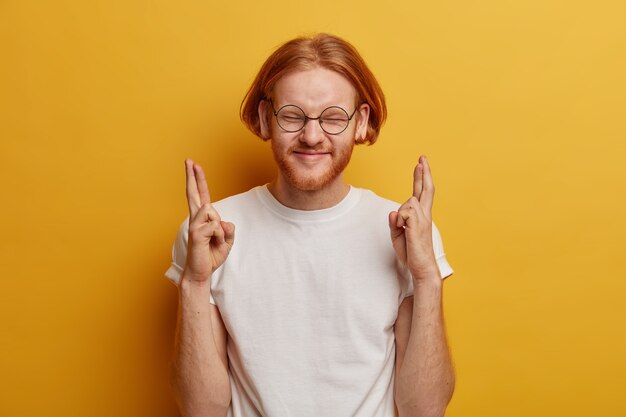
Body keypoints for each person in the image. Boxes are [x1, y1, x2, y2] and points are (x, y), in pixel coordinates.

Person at [165, 33, 455, 417]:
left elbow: (425, 409)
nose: (312, 136)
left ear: (361, 123)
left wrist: (426, 277)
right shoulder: (213, 233)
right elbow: (201, 411)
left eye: (333, 118)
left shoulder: (405, 235)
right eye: (292, 115)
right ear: (267, 119)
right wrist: (195, 283)